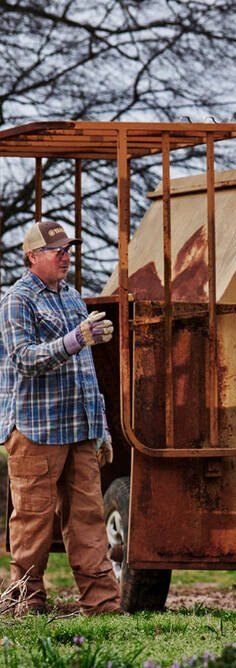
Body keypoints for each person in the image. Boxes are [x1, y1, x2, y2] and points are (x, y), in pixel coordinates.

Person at [0, 220, 120, 616]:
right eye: (58, 251)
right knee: (32, 522)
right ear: (32, 257)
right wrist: (75, 339)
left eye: (68, 250)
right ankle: (25, 603)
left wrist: (100, 426)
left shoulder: (71, 297)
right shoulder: (17, 300)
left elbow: (86, 371)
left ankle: (102, 604)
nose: (66, 257)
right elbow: (24, 359)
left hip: (79, 428)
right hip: (36, 429)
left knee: (88, 518)